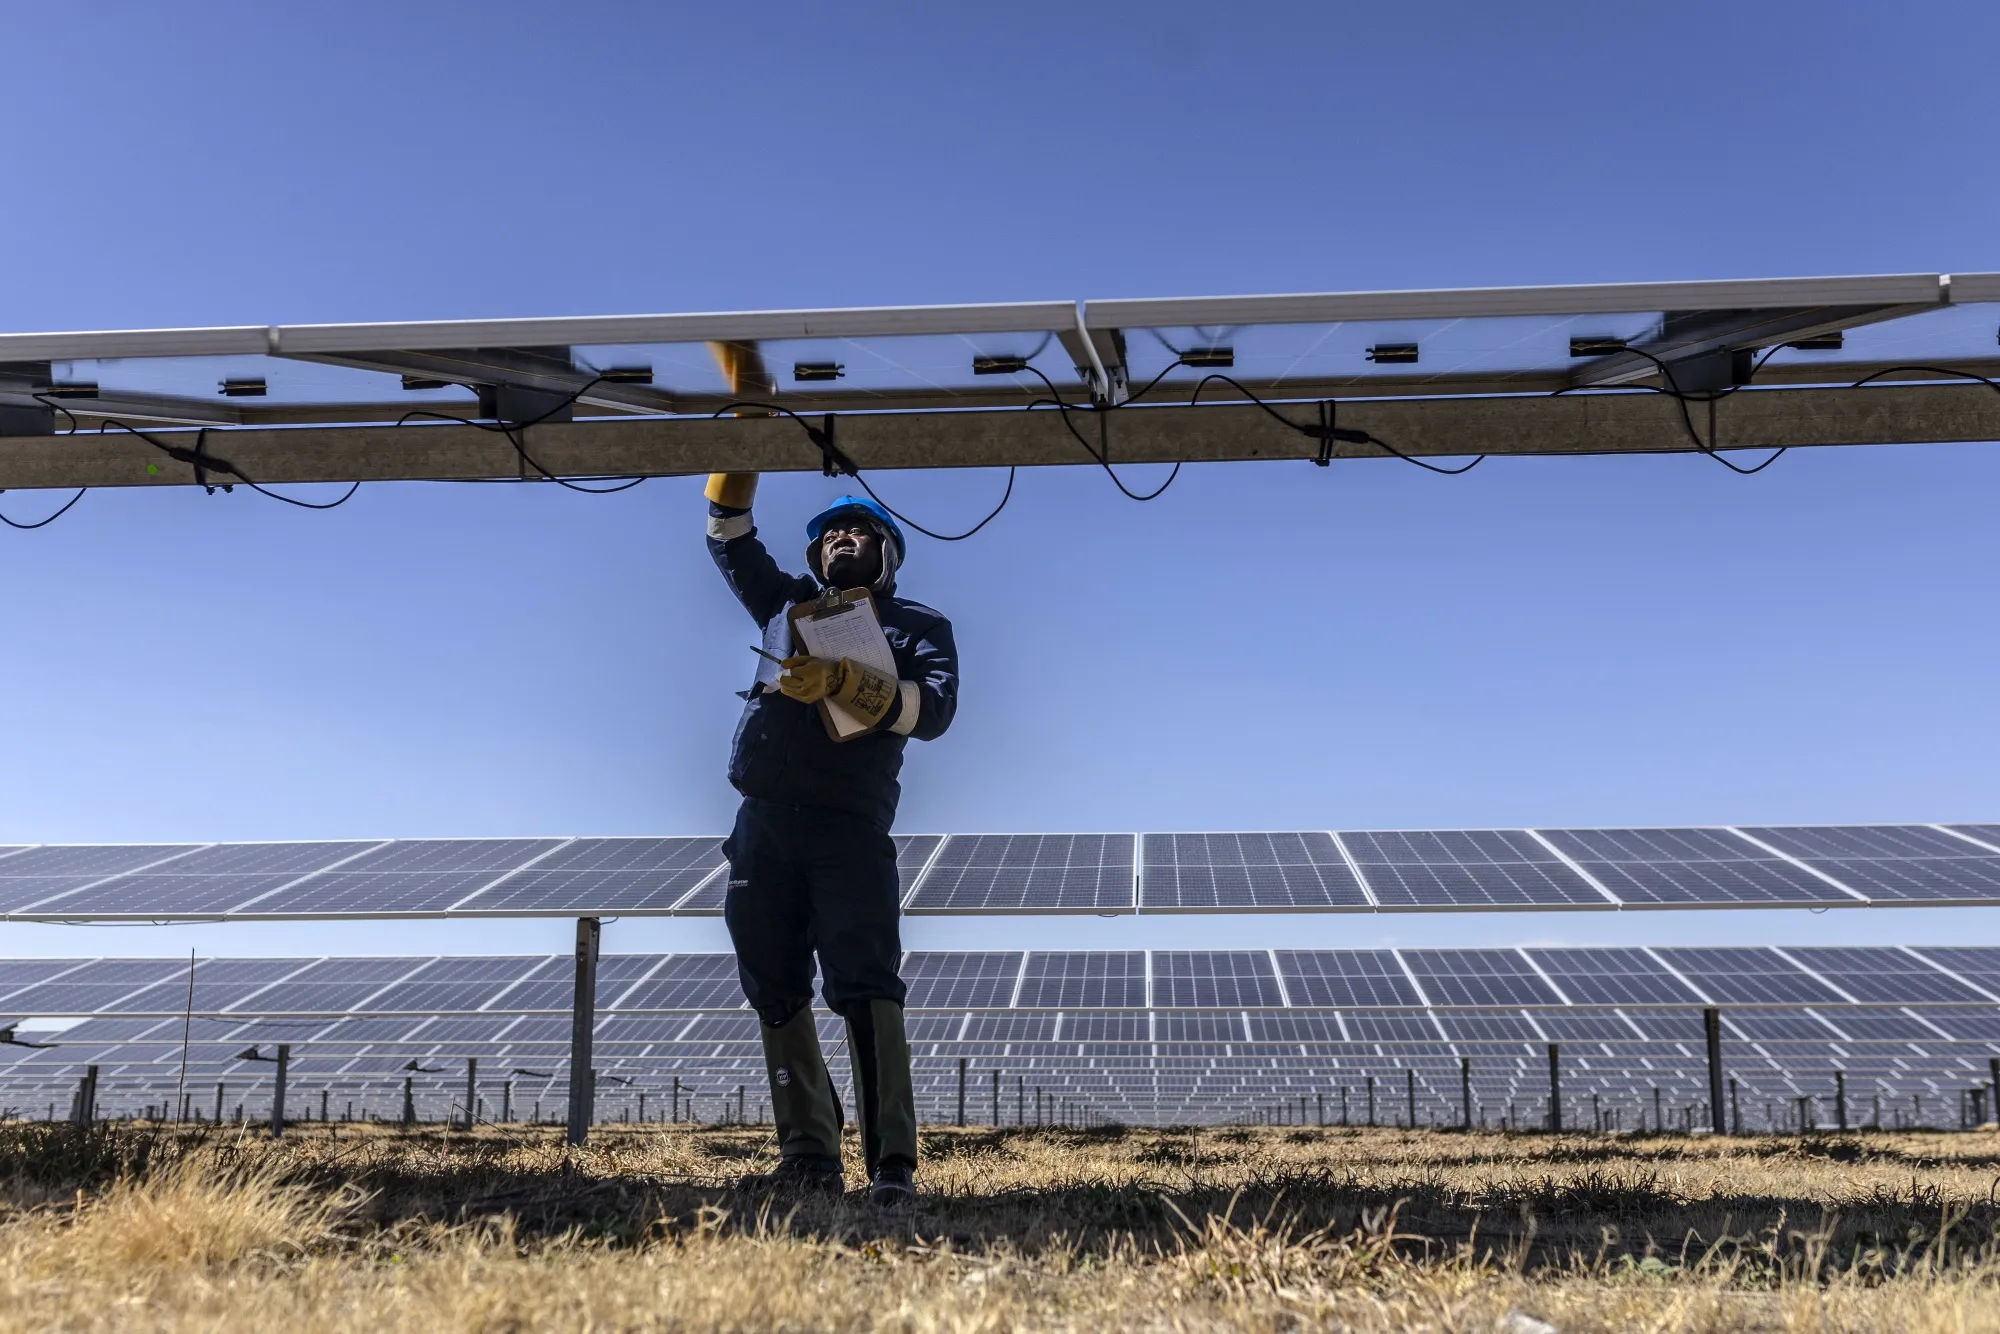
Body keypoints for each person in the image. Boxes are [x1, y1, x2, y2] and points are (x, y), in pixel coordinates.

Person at [704, 463, 957, 1208]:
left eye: (861, 533)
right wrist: (740, 449)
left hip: (849, 827)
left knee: (865, 981)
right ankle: (809, 1153)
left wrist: (845, 683)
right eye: (830, 534)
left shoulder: (920, 628)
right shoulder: (784, 606)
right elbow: (727, 536)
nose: (842, 540)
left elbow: (933, 711)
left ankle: (891, 1167)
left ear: (888, 557)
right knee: (773, 981)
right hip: (765, 822)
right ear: (815, 557)